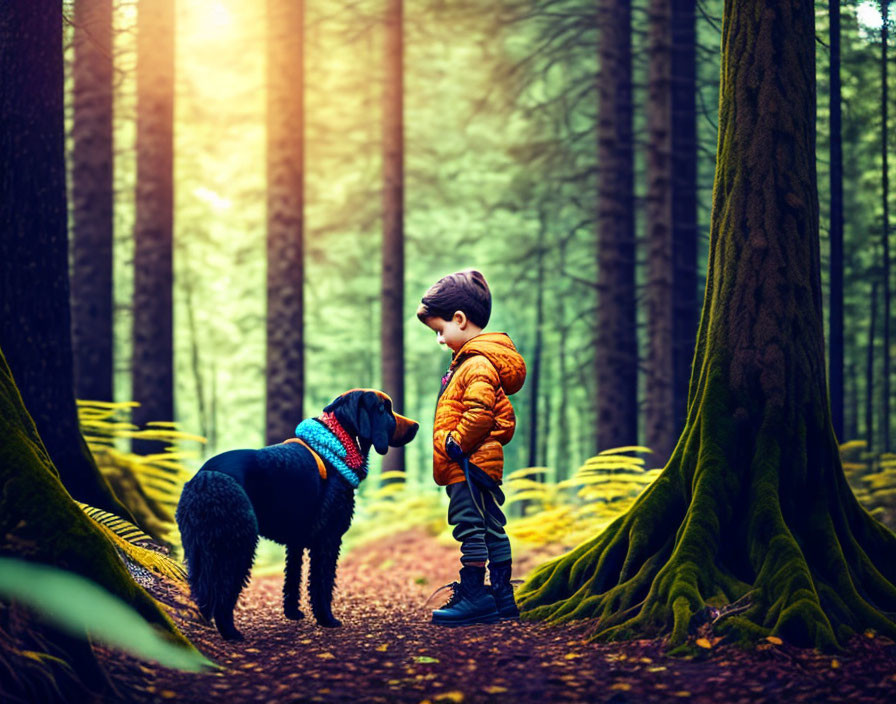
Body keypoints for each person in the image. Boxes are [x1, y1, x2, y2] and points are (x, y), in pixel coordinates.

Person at [416, 269, 527, 626]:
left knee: (469, 526)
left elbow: (480, 413)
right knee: (491, 526)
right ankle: (503, 597)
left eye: (440, 330)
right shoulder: (477, 362)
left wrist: (456, 443)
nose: (439, 339)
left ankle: (476, 594)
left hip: (467, 464)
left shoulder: (476, 363)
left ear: (460, 320)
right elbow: (502, 416)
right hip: (479, 463)